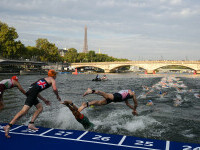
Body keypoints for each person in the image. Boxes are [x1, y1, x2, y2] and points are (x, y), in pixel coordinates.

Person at [3, 69, 61, 138]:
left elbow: (35, 89)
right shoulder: (52, 80)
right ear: (54, 75)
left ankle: (31, 124)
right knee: (23, 111)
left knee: (40, 108)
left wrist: (44, 100)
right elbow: (54, 89)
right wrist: (57, 95)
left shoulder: (43, 79)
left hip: (31, 92)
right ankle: (8, 126)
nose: (56, 76)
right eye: (56, 75)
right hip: (32, 94)